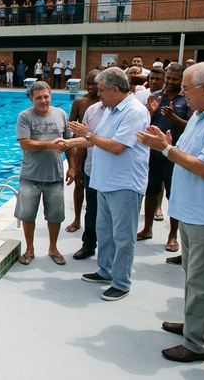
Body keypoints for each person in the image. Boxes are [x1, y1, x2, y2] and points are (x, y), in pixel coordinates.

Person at [135, 62, 204, 363]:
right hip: (190, 210)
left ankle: (198, 344)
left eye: (186, 88)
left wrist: (166, 150)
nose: (181, 93)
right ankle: (194, 323)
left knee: (203, 280)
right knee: (191, 276)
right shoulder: (199, 115)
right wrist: (167, 144)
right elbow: (189, 152)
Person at [65, 67, 149, 301]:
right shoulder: (111, 110)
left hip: (124, 184)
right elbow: (97, 141)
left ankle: (121, 282)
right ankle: (106, 270)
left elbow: (116, 146)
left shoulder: (134, 112)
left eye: (101, 90)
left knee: (123, 237)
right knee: (105, 231)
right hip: (104, 182)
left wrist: (89, 135)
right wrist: (68, 143)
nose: (97, 94)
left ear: (114, 89)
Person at [15, 81, 74, 266]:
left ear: (51, 96)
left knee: (55, 216)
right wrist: (50, 144)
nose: (43, 101)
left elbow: (68, 143)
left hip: (54, 176)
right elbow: (25, 143)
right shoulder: (24, 117)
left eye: (46, 96)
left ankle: (53, 247)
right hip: (30, 176)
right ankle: (30, 248)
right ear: (31, 98)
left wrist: (72, 166)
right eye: (38, 97)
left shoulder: (61, 114)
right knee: (27, 215)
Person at [136, 64, 189, 253]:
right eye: (169, 78)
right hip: (154, 153)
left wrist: (172, 116)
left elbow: (189, 127)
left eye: (175, 79)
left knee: (172, 195)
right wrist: (150, 112)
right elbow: (143, 125)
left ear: (182, 80)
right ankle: (147, 228)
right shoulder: (156, 96)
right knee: (150, 190)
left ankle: (172, 235)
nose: (170, 82)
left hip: (174, 154)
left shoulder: (187, 99)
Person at [65, 70, 101, 235]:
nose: (91, 87)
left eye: (94, 83)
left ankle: (97, 220)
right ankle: (77, 219)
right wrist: (71, 149)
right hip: (81, 148)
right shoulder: (80, 101)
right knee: (79, 184)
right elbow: (71, 126)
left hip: (99, 148)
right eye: (88, 83)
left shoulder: (105, 102)